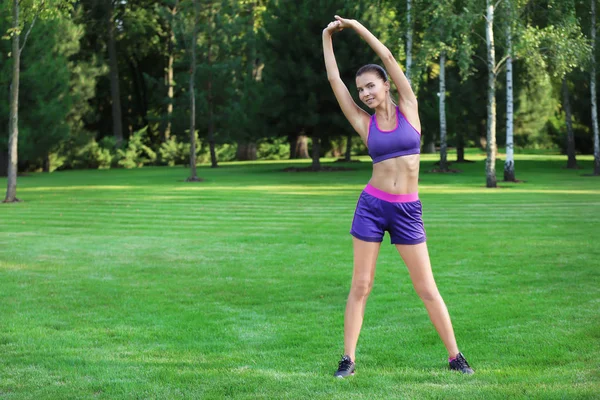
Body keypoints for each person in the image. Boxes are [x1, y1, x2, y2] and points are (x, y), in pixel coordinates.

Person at [322, 15, 474, 378]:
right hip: (372, 207)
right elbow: (333, 81)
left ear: (386, 85)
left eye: (371, 86)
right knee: (361, 285)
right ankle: (348, 359)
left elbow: (388, 56)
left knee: (426, 287)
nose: (365, 94)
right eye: (361, 90)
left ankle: (455, 357)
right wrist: (327, 38)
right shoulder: (364, 123)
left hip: (407, 210)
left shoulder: (409, 108)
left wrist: (357, 28)